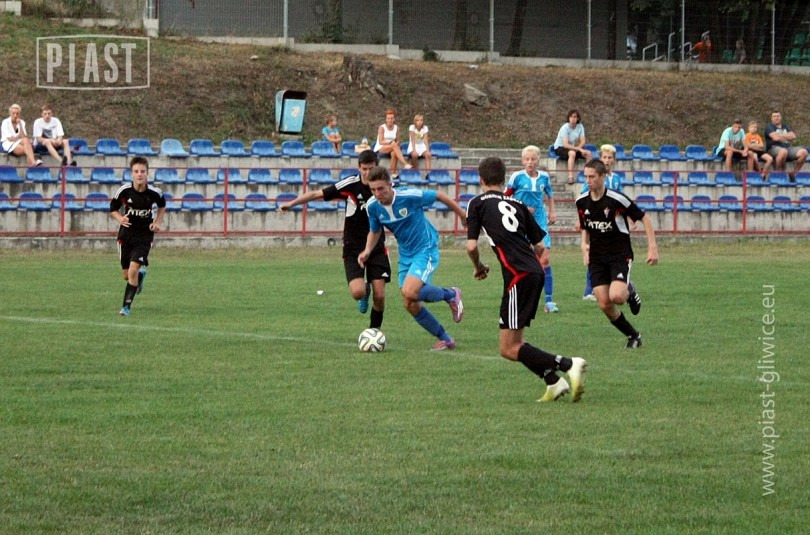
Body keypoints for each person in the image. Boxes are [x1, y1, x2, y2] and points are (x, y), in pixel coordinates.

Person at [466, 156, 587, 402]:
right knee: (516, 342)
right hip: (533, 272)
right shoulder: (518, 203)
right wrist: (528, 262)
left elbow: (471, 246)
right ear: (504, 179)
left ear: (481, 180)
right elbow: (540, 247)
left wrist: (479, 266)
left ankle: (568, 364)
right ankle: (554, 383)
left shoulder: (477, 203)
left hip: (518, 276)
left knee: (507, 348)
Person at [280, 150, 390, 330]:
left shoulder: (383, 187)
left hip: (376, 246)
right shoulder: (351, 185)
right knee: (357, 292)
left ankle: (373, 334)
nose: (367, 172)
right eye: (364, 169)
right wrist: (292, 204)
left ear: (377, 167)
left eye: (371, 168)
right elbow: (317, 194)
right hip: (353, 247)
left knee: (380, 297)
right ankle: (365, 291)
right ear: (359, 168)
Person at [359, 166, 466, 351]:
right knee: (410, 302)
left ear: (390, 185)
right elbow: (375, 231)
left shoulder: (408, 196)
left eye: (381, 188)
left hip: (425, 247)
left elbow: (439, 195)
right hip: (406, 253)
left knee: (410, 291)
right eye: (373, 189)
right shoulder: (373, 206)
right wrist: (367, 250)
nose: (377, 194)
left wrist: (463, 215)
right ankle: (446, 339)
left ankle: (451, 294)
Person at [576, 159, 658, 349]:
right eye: (586, 176)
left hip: (619, 255)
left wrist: (652, 247)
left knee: (617, 297)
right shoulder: (581, 201)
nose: (588, 181)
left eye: (592, 177)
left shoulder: (616, 199)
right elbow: (585, 226)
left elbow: (644, 218)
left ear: (603, 176)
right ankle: (633, 335)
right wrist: (583, 245)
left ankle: (629, 289)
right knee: (604, 304)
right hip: (597, 258)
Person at [109, 156, 166, 317]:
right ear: (131, 173)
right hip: (126, 235)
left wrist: (157, 222)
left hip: (144, 236)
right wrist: (120, 219)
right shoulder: (124, 191)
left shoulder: (154, 193)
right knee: (127, 275)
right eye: (136, 171)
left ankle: (126, 307)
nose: (139, 174)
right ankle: (140, 276)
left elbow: (162, 205)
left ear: (147, 173)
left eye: (142, 171)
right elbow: (113, 208)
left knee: (133, 270)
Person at [505, 145, 558, 313]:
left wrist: (552, 211)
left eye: (533, 159)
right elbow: (505, 198)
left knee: (545, 259)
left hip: (539, 221)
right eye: (527, 159)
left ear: (538, 160)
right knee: (523, 261)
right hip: (521, 222)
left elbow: (550, 194)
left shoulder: (544, 177)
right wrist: (522, 208)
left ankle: (549, 301)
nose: (530, 162)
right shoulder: (517, 177)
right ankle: (521, 297)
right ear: (523, 161)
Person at [577, 144, 624, 301]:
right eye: (604, 157)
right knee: (594, 254)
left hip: (612, 226)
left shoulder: (616, 179)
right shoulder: (592, 179)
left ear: (614, 160)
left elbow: (621, 200)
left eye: (610, 158)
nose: (607, 160)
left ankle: (616, 284)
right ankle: (590, 289)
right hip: (595, 223)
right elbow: (583, 201)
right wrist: (580, 220)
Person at [552, 109, 592, 184]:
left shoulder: (580, 127)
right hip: (560, 148)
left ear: (578, 118)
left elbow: (583, 141)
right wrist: (578, 149)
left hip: (572, 148)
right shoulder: (565, 127)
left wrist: (578, 149)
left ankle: (588, 175)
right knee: (572, 153)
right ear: (568, 118)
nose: (573, 119)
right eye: (571, 117)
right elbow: (565, 144)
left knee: (588, 153)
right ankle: (570, 177)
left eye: (574, 117)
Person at [764, 110, 808, 177]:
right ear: (771, 118)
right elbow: (776, 138)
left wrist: (779, 135)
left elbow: (793, 136)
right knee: (783, 152)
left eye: (778, 116)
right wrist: (787, 136)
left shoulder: (786, 126)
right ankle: (778, 173)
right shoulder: (769, 127)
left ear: (781, 117)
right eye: (774, 116)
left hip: (788, 148)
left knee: (804, 152)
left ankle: (794, 174)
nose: (776, 118)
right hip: (773, 148)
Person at [373, 108, 411, 178]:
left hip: (393, 147)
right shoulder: (382, 127)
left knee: (394, 152)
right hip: (382, 146)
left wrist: (395, 144)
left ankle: (392, 173)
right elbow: (381, 141)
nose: (390, 120)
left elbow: (398, 141)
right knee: (394, 146)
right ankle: (405, 163)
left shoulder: (396, 128)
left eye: (391, 118)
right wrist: (390, 142)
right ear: (386, 119)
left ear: (394, 119)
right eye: (388, 118)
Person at [407, 113, 431, 178]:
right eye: (418, 120)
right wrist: (414, 150)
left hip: (421, 145)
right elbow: (413, 140)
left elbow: (425, 140)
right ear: (415, 121)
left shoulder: (425, 128)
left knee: (428, 155)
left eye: (421, 120)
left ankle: (428, 173)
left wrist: (428, 150)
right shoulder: (412, 127)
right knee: (415, 155)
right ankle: (415, 171)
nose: (420, 122)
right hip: (413, 145)